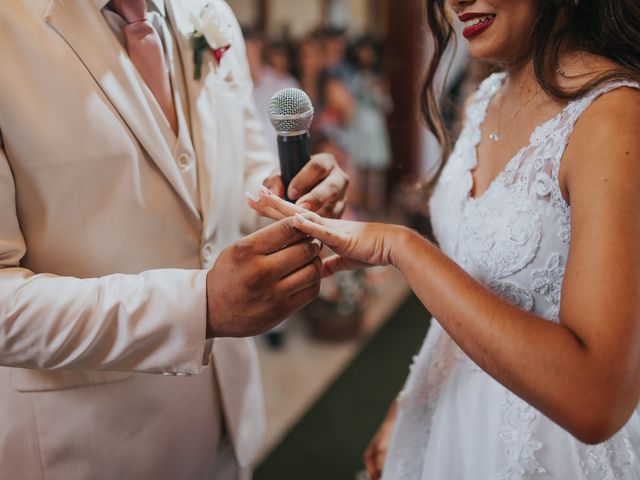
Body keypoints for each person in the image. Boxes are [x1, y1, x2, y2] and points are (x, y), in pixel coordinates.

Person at [248, 0, 640, 478]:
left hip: (544, 448)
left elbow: (596, 401)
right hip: (450, 409)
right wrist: (412, 403)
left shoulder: (615, 117)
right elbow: (472, 278)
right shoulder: (485, 98)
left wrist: (404, 249)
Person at [0, 1, 348, 479]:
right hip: (90, 444)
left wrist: (289, 194)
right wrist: (198, 307)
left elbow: (244, 170)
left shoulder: (208, 12)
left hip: (227, 414)